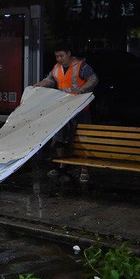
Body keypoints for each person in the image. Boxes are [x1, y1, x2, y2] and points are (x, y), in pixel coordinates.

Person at [35, 42, 99, 183]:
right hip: (64, 110)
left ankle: (84, 169)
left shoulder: (81, 67)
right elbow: (50, 80)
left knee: (83, 140)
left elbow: (94, 79)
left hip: (81, 110)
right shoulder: (57, 68)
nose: (59, 59)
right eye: (56, 56)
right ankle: (63, 166)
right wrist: (41, 84)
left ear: (69, 54)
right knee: (60, 139)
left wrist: (82, 90)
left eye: (61, 55)